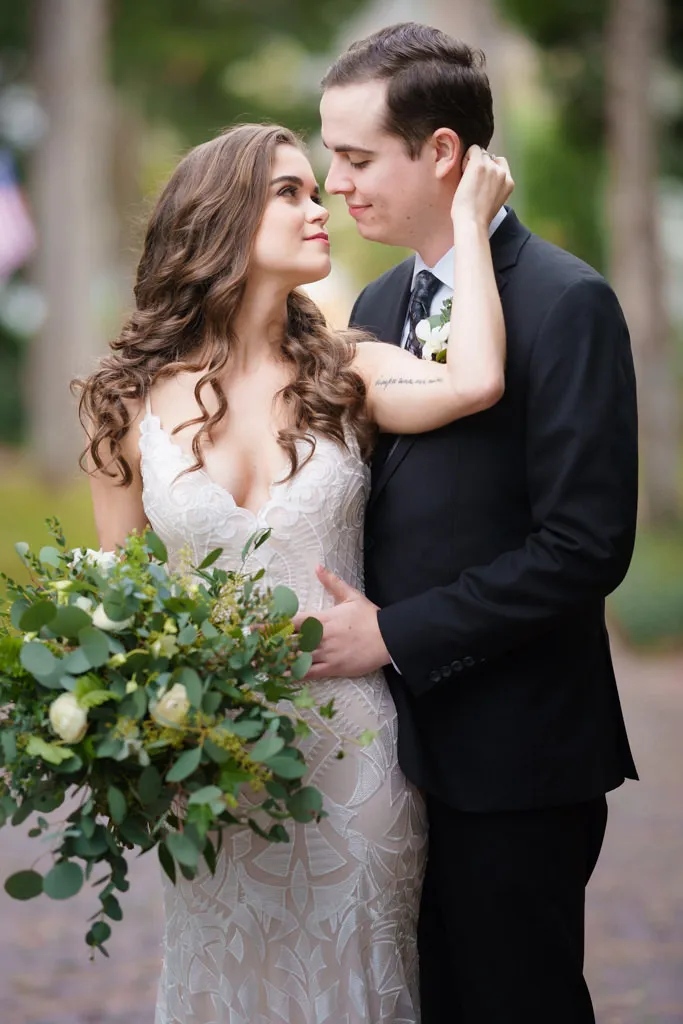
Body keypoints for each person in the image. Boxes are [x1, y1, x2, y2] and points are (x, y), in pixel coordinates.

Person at [74, 122, 512, 1023]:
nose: (323, 208)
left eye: (318, 190)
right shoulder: (121, 402)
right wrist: (129, 743)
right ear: (221, 218)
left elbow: (472, 383)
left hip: (352, 759)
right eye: (291, 191)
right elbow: (112, 607)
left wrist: (470, 224)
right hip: (212, 769)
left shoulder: (343, 370)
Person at [310, 21, 639, 1024]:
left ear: (442, 153)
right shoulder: (375, 300)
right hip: (388, 760)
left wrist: (393, 633)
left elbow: (583, 547)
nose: (334, 183)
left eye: (357, 157)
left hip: (514, 758)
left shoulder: (564, 302)